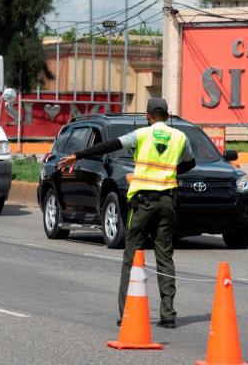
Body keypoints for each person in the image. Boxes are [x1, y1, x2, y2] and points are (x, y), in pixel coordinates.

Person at [56, 97, 195, 329]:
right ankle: (168, 315)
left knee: (131, 257)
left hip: (143, 202)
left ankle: (127, 314)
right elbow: (190, 163)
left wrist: (78, 155)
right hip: (168, 201)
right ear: (168, 115)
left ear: (148, 116)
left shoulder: (142, 134)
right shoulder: (181, 137)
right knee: (165, 256)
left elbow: (110, 145)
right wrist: (170, 172)